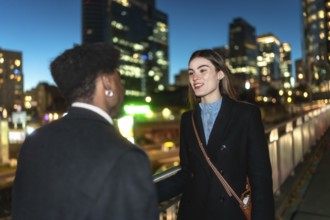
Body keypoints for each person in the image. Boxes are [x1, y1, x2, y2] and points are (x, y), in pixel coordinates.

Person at [12, 43, 159, 220]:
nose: (123, 88)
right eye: (119, 79)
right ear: (107, 83)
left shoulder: (34, 142)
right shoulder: (126, 157)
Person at [156, 49, 275, 219]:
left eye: (202, 70)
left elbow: (260, 178)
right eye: (191, 72)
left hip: (230, 213)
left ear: (220, 74)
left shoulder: (246, 114)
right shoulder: (187, 119)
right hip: (193, 212)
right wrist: (147, 192)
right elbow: (187, 173)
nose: (195, 77)